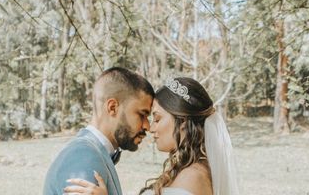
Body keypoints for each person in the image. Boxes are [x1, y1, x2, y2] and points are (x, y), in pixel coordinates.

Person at [64, 76, 239, 195]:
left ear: (183, 122)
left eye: (157, 118)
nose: (150, 127)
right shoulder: (193, 170)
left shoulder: (192, 177)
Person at [43, 67, 155, 195]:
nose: (147, 126)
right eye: (142, 115)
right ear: (112, 107)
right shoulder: (83, 155)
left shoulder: (93, 151)